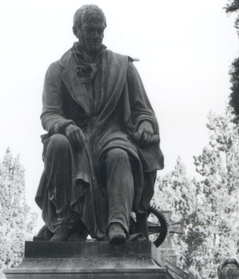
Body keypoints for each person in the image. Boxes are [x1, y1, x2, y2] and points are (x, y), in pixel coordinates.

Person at [34, 4, 164, 244]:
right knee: (57, 144)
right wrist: (65, 126)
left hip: (111, 135)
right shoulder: (57, 70)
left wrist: (146, 126)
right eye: (89, 30)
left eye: (99, 30)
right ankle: (65, 221)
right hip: (75, 139)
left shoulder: (123, 67)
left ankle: (118, 223)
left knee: (119, 153)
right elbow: (49, 114)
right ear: (76, 31)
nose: (95, 35)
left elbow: (143, 111)